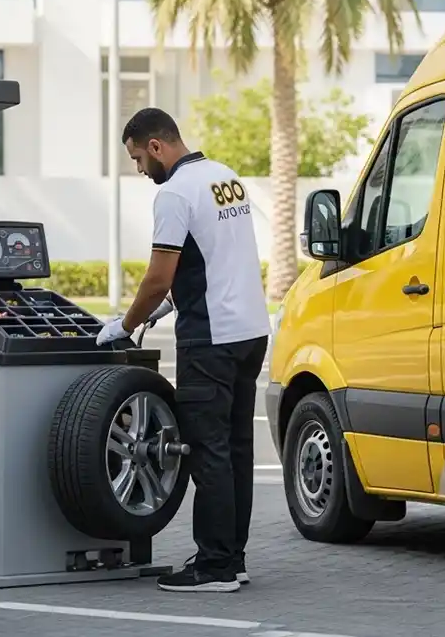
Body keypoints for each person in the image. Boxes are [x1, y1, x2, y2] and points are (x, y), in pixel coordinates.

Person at [96, 107, 271, 593]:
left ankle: (214, 568)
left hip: (211, 339)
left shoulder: (174, 192)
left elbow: (158, 275)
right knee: (236, 449)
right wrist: (170, 306)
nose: (138, 170)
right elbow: (217, 257)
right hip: (250, 331)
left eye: (137, 158)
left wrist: (127, 325)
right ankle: (232, 558)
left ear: (156, 146)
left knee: (208, 451)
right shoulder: (225, 177)